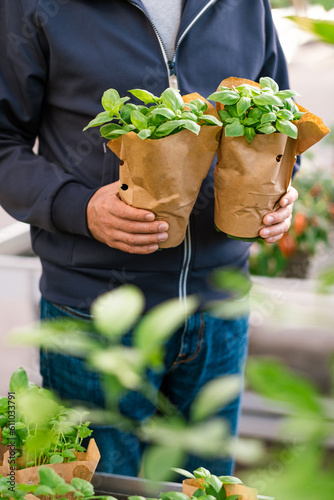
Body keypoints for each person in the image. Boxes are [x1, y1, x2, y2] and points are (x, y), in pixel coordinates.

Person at [0, 0, 298, 477]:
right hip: (94, 315)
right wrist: (79, 207)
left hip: (218, 314)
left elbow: (281, 120)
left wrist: (279, 190)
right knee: (101, 485)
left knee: (210, 487)